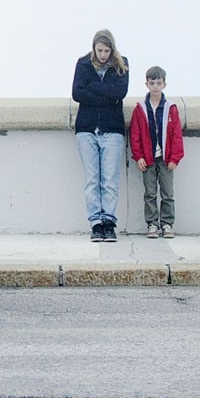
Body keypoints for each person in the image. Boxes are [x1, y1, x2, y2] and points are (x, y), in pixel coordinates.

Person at [72, 29, 129, 242]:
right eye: (99, 50)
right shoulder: (83, 63)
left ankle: (109, 223)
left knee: (110, 180)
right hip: (86, 129)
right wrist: (106, 93)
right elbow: (77, 93)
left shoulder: (122, 64)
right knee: (92, 179)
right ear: (94, 48)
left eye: (106, 50)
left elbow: (119, 93)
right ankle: (95, 223)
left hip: (112, 129)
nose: (103, 54)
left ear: (112, 48)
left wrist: (93, 90)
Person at [128, 66, 184, 239]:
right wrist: (139, 156)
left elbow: (176, 135)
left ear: (164, 84)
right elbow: (134, 134)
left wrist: (175, 157)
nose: (155, 86)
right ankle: (152, 224)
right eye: (152, 83)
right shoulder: (140, 109)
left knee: (167, 193)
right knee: (150, 193)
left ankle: (167, 224)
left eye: (158, 83)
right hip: (148, 159)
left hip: (166, 159)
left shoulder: (170, 108)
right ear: (147, 84)